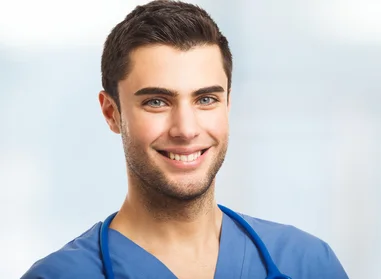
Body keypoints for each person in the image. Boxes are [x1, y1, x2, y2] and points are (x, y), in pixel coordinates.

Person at [21, 1, 348, 278]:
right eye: (156, 102)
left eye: (206, 99)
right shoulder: (62, 274)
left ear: (228, 105)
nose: (186, 129)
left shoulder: (307, 262)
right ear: (112, 113)